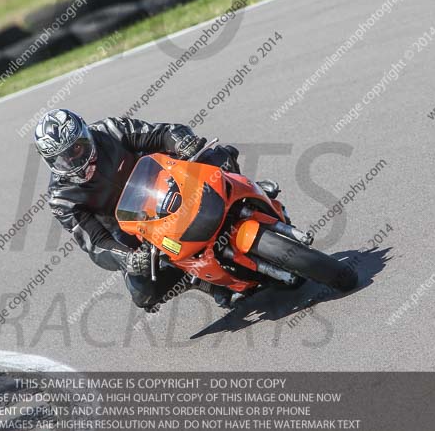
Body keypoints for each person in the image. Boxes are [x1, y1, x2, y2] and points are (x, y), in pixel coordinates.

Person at [34, 108, 284, 311]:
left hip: (166, 179)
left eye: (77, 148)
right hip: (130, 225)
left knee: (216, 155)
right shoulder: (61, 199)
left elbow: (163, 133)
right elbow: (95, 243)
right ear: (49, 161)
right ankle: (198, 279)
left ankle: (250, 192)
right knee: (143, 293)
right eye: (61, 158)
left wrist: (182, 142)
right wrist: (127, 258)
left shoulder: (110, 131)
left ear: (86, 134)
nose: (73, 159)